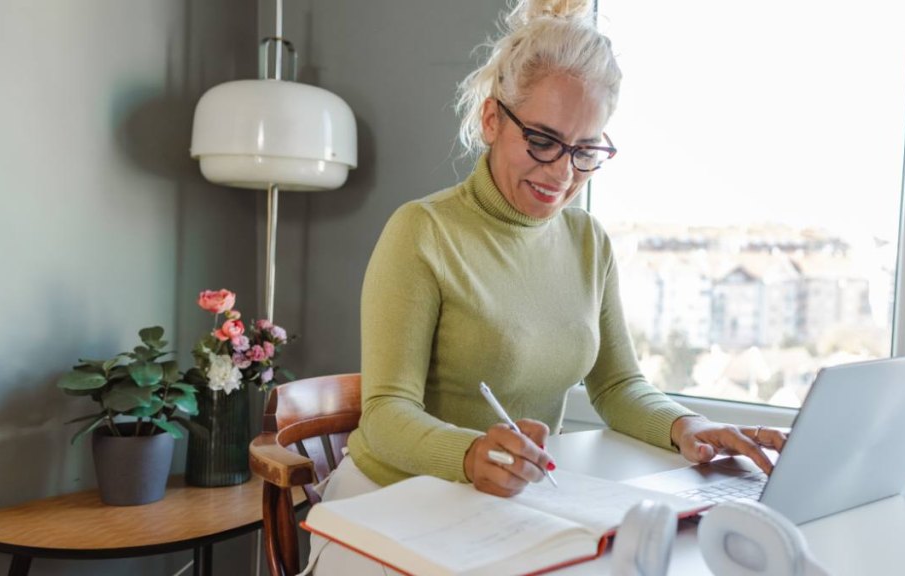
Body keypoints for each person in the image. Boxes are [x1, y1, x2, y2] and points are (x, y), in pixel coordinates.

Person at [304, 0, 786, 573]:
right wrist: (468, 454)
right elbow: (384, 414)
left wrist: (691, 426)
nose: (562, 172)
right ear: (491, 120)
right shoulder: (423, 232)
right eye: (542, 140)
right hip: (391, 506)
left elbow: (618, 386)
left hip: (504, 506)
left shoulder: (588, 242)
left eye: (586, 151)